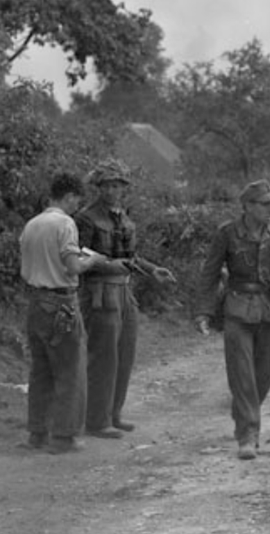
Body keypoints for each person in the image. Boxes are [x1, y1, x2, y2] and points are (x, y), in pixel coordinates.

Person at [194, 179, 270, 460]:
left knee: (264, 374)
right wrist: (203, 311)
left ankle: (243, 412)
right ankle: (248, 433)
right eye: (265, 203)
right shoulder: (228, 233)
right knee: (241, 373)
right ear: (247, 206)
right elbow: (209, 273)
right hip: (238, 308)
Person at [75, 159, 175, 439]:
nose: (113, 190)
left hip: (124, 293)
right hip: (99, 293)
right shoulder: (86, 218)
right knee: (103, 357)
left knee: (125, 355)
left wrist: (153, 269)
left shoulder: (125, 218)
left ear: (124, 188)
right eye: (107, 185)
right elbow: (78, 257)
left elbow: (131, 258)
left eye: (118, 185)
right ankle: (97, 420)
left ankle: (114, 414)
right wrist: (110, 266)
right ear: (99, 187)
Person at [19, 173, 106, 454]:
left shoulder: (32, 224)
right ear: (69, 196)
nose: (76, 207)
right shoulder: (64, 223)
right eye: (76, 201)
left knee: (41, 370)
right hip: (61, 301)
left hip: (35, 301)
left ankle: (37, 433)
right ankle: (64, 436)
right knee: (70, 369)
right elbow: (72, 267)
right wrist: (92, 259)